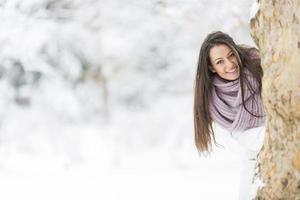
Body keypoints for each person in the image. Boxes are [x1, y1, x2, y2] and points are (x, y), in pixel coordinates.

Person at [193, 31, 266, 200]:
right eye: (220, 62)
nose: (230, 64)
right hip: (251, 161)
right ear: (212, 67)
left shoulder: (259, 66)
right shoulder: (214, 100)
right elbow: (238, 143)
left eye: (231, 55)